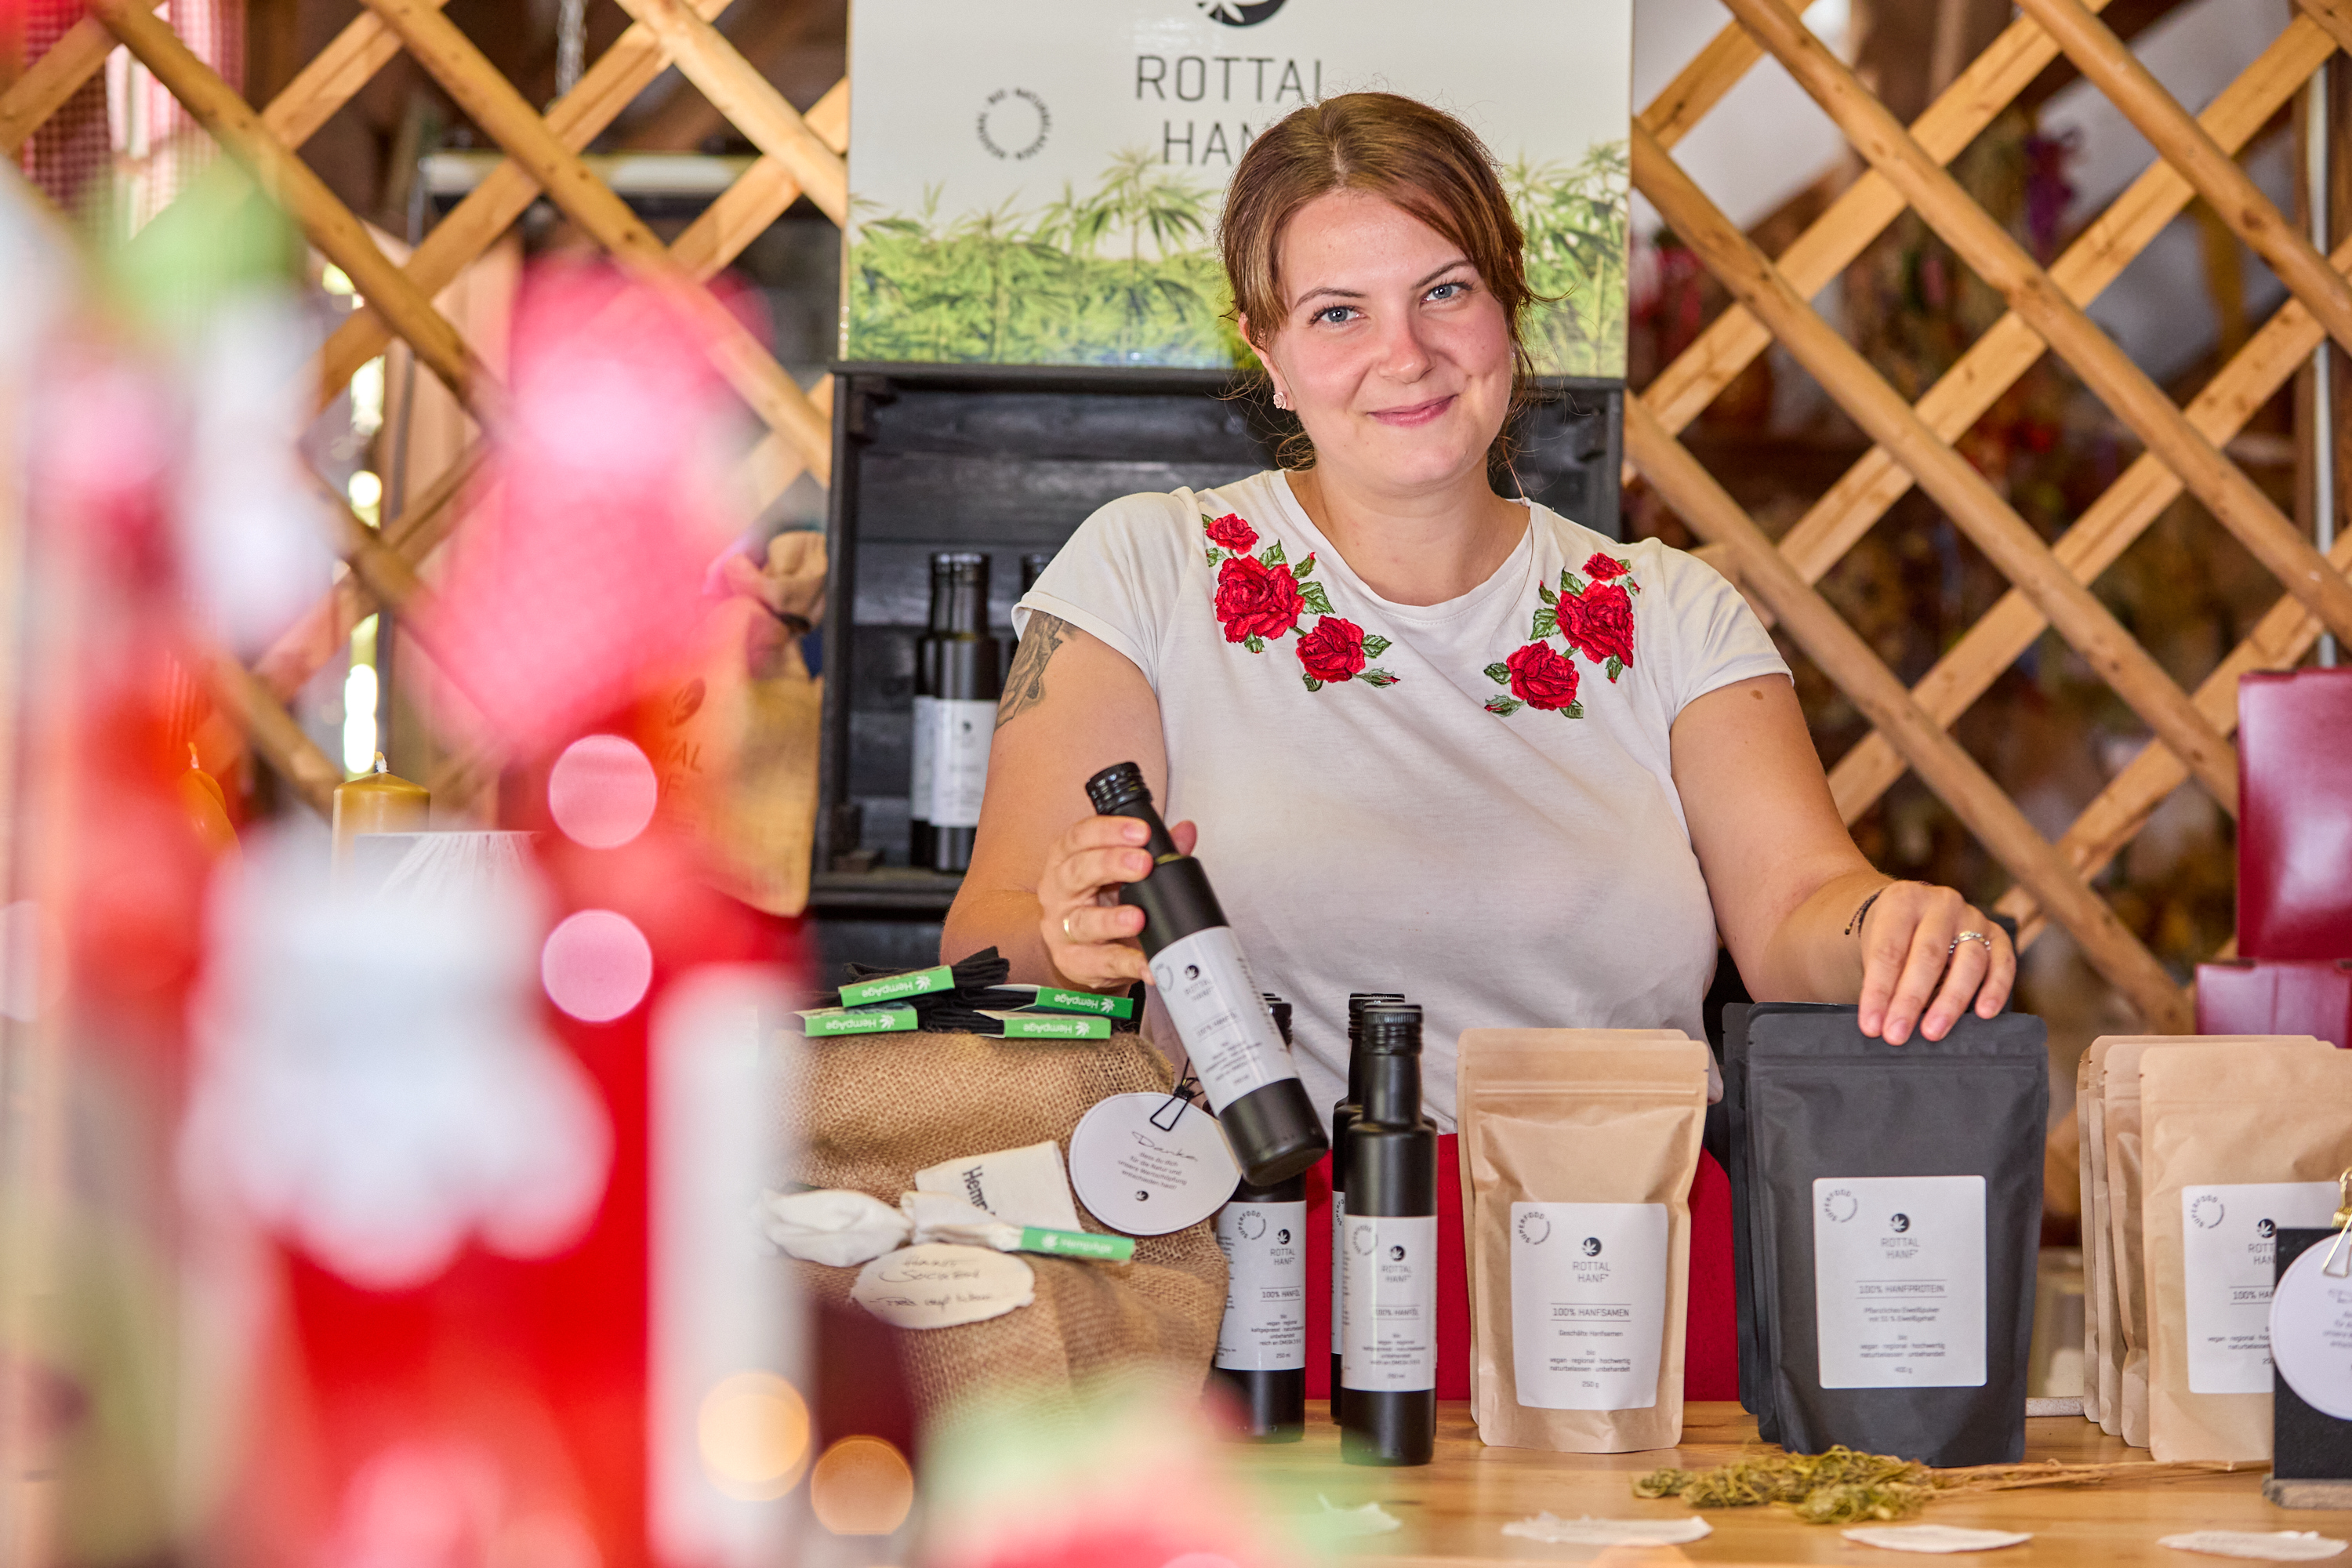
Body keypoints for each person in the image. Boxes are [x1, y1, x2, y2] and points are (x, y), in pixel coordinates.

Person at [944, 91, 2015, 1106]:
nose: (1405, 355)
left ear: (1509, 305)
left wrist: (1895, 926)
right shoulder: (1144, 571)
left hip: (1622, 1216)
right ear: (1268, 352)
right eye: (1337, 313)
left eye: (1445, 291)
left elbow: (1795, 913)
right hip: (1261, 1222)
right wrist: (1064, 939)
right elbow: (986, 935)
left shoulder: (1674, 612)